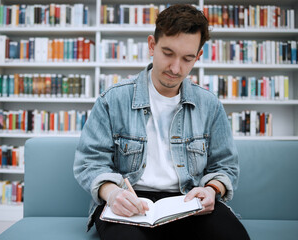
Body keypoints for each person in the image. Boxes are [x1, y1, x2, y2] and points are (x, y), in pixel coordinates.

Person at [74, 4, 250, 240]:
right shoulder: (112, 100)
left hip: (187, 201)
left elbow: (225, 166)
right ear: (152, 45)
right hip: (129, 201)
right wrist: (113, 193)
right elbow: (90, 163)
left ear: (198, 57)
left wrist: (212, 189)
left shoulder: (210, 105)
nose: (176, 68)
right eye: (168, 53)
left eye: (187, 58)